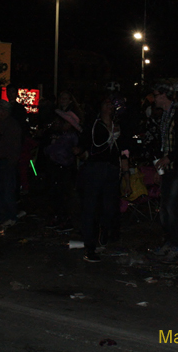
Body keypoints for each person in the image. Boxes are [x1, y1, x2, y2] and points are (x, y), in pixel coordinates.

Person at [80, 94, 129, 263]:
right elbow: (84, 144)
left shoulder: (118, 126)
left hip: (111, 170)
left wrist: (126, 174)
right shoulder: (94, 125)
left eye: (112, 104)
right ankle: (90, 247)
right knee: (91, 207)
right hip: (95, 169)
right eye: (106, 103)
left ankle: (104, 231)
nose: (109, 106)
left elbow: (124, 151)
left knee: (109, 207)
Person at [149, 83, 178, 264]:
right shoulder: (164, 115)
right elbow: (164, 142)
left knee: (173, 207)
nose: (154, 98)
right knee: (165, 208)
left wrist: (170, 158)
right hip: (168, 166)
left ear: (165, 95)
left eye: (156, 94)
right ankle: (170, 241)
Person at [0, 100, 22, 228]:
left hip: (6, 162)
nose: (0, 113)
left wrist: (12, 161)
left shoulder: (12, 125)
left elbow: (15, 146)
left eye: (2, 110)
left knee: (7, 190)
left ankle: (11, 216)